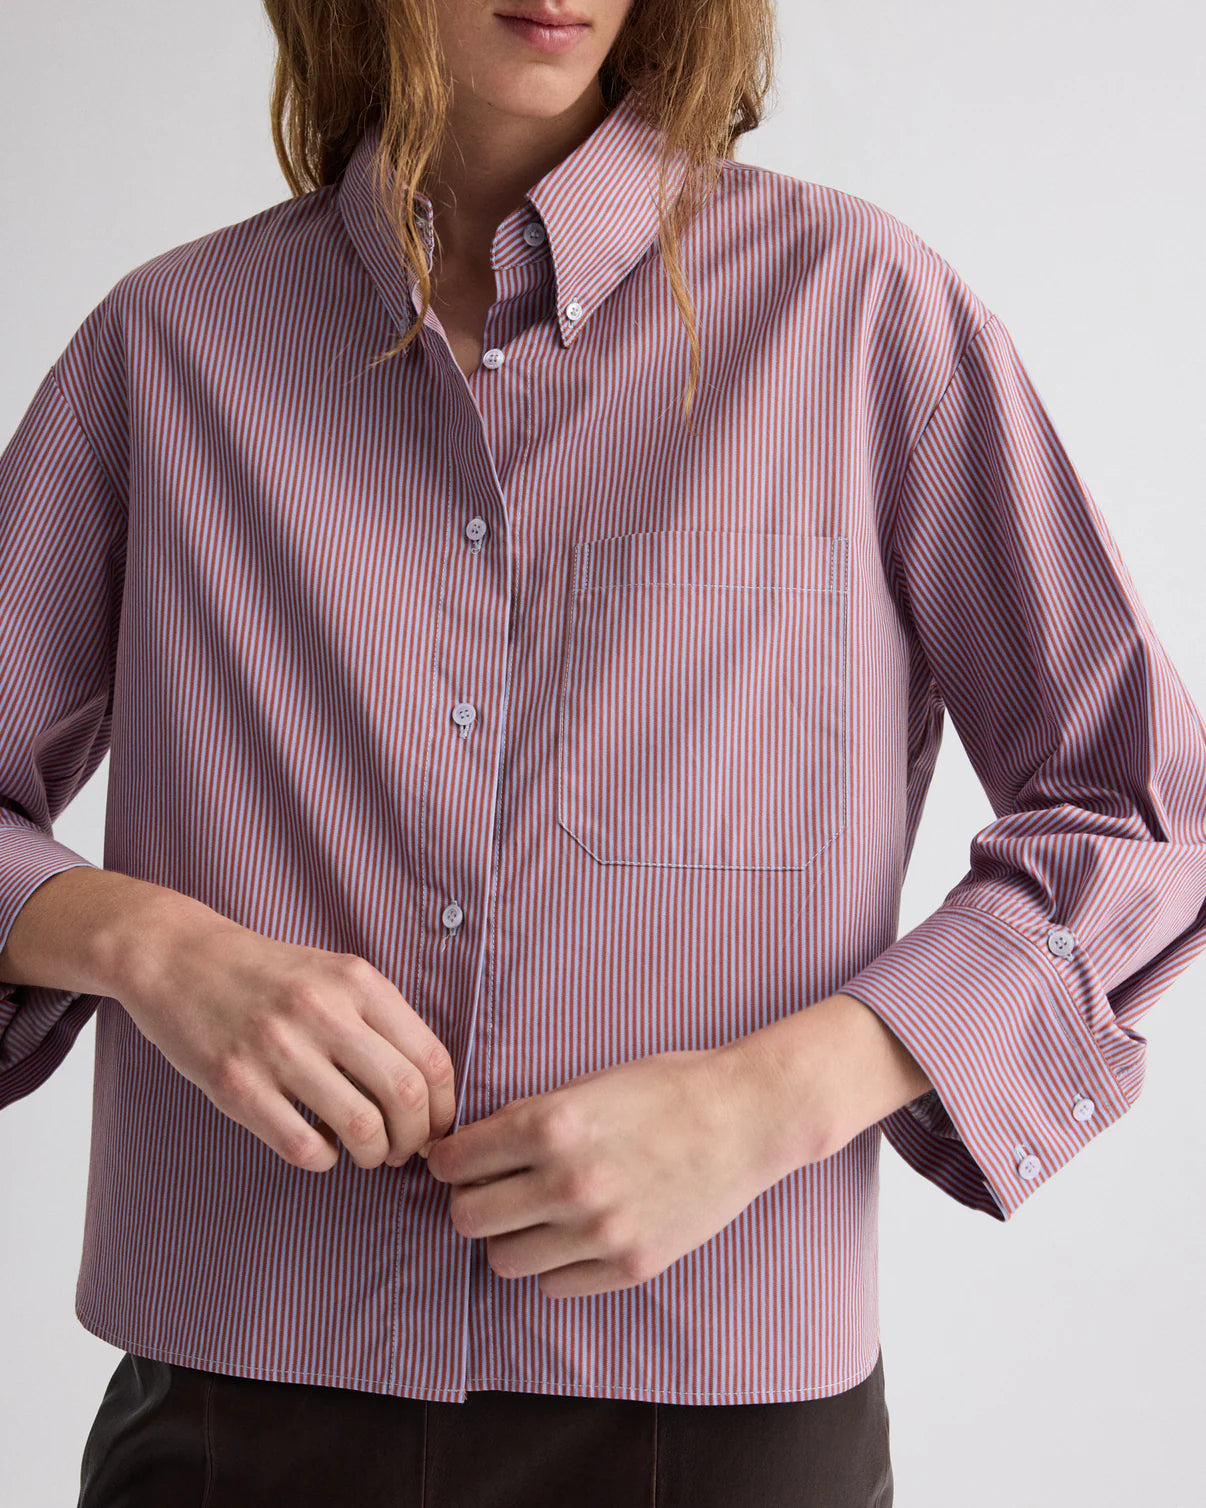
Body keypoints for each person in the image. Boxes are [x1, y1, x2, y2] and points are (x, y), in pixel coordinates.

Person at [2, 1, 1203, 1504]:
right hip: (236, 1399)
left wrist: (774, 1097)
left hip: (716, 1425)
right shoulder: (170, 348)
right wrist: (147, 948)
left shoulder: (860, 318)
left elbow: (1141, 811)